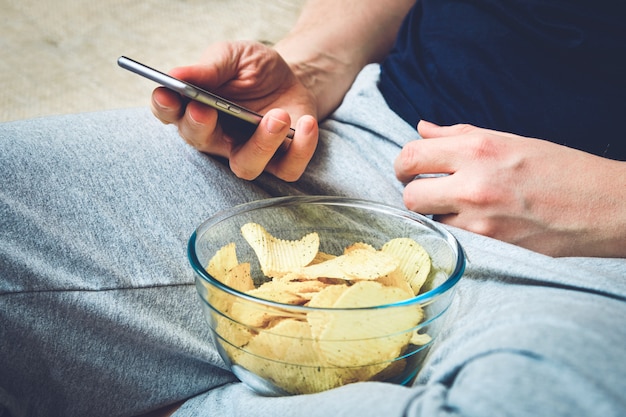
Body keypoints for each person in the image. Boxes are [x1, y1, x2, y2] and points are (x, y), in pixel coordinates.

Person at [1, 1, 625, 416]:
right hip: (362, 140)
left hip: (603, 256)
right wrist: (315, 63)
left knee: (539, 397)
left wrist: (611, 204)